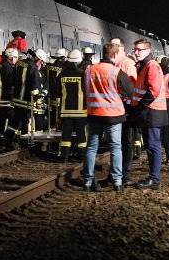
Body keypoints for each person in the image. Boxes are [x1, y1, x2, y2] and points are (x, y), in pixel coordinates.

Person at [81, 43, 134, 192]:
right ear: (115, 55)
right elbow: (129, 91)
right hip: (113, 116)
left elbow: (84, 88)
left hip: (94, 114)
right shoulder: (117, 72)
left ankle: (87, 181)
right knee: (116, 148)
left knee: (91, 148)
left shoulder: (89, 70)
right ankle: (117, 182)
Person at [130, 38, 168, 190]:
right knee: (151, 146)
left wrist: (139, 107)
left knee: (153, 146)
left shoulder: (151, 65)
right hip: (149, 112)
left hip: (152, 111)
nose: (137, 52)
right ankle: (153, 177)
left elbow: (153, 90)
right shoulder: (145, 65)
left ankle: (154, 179)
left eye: (140, 50)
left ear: (148, 50)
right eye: (135, 49)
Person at [109, 37, 140, 185]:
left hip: (125, 109)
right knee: (116, 143)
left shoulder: (128, 64)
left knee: (125, 142)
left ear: (121, 47)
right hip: (114, 108)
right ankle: (116, 173)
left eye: (114, 45)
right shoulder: (113, 64)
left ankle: (124, 174)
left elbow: (132, 89)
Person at [5, 49, 49, 147]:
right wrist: (40, 94)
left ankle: (7, 140)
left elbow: (12, 80)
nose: (41, 64)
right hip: (26, 101)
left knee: (14, 121)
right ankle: (24, 143)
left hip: (16, 99)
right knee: (25, 122)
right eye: (41, 62)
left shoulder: (19, 63)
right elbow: (34, 87)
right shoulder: (33, 68)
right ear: (38, 59)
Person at [56, 49, 87, 161]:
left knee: (66, 134)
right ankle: (82, 155)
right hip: (81, 111)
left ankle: (64, 155)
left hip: (66, 110)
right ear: (79, 61)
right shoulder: (82, 74)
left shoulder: (62, 74)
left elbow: (57, 91)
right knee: (81, 134)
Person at [0, 48, 19, 146]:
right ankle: (7, 140)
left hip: (1, 98)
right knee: (11, 120)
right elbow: (10, 83)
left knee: (2, 120)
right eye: (16, 57)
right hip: (7, 98)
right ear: (11, 57)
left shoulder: (1, 66)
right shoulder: (8, 68)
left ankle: (0, 139)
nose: (17, 60)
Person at [46, 48, 68, 131]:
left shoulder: (49, 66)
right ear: (63, 57)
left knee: (50, 114)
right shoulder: (64, 67)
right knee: (58, 114)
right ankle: (57, 127)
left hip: (49, 94)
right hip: (58, 95)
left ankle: (50, 127)